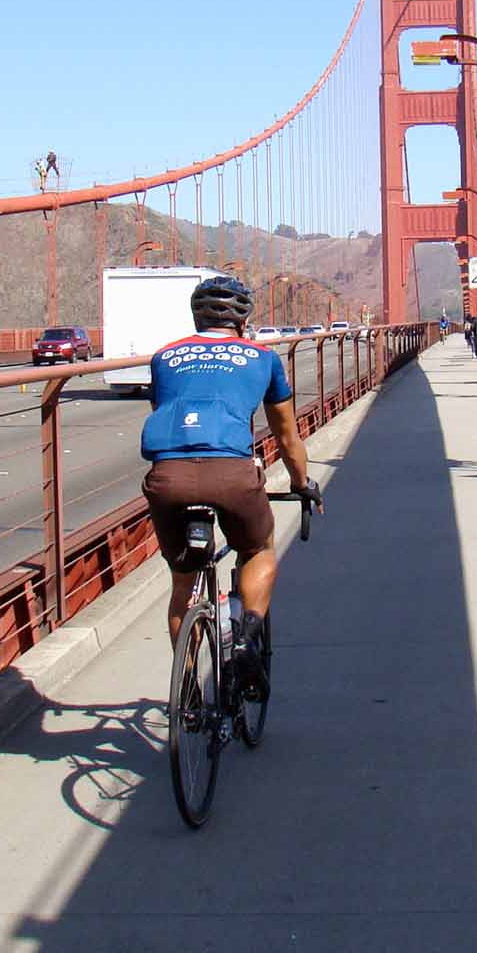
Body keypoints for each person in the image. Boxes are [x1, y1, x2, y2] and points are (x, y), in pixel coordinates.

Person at [141, 275, 320, 683]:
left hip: (167, 476)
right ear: (243, 321)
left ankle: (187, 695)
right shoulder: (262, 357)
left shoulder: (164, 356)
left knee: (183, 584)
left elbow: (163, 409)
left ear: (195, 316)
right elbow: (287, 436)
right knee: (258, 549)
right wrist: (300, 483)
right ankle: (245, 636)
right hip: (233, 475)